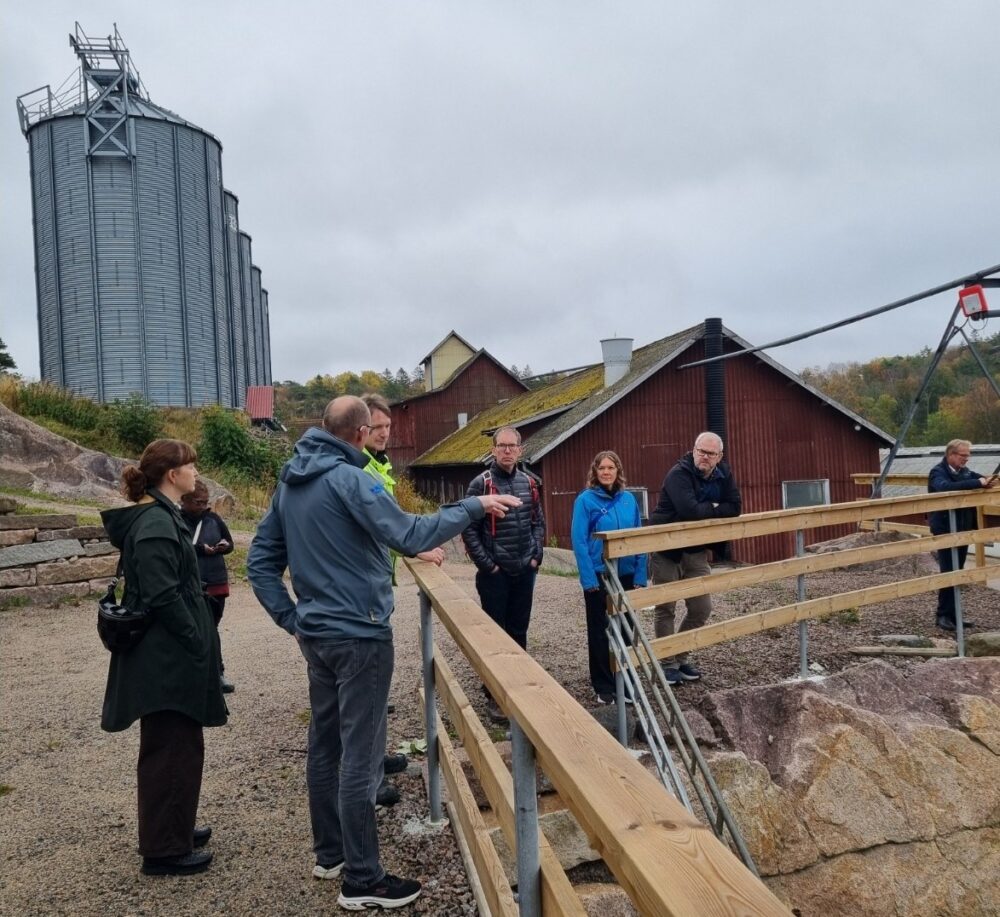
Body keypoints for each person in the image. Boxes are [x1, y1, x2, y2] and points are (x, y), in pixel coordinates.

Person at [247, 396, 518, 911]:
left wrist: (294, 620)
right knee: (361, 755)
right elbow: (409, 533)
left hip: (320, 638)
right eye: (373, 429)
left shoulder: (291, 482)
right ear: (357, 433)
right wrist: (475, 506)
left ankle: (330, 855)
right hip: (361, 637)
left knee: (325, 746)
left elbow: (260, 562)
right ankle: (363, 878)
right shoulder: (351, 479)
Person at [99, 440, 228, 877]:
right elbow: (160, 593)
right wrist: (194, 636)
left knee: (181, 742)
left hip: (171, 651)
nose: (195, 472)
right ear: (172, 474)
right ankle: (164, 849)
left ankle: (175, 826)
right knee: (169, 746)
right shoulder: (155, 523)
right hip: (166, 655)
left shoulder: (165, 515)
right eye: (190, 465)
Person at [359, 392, 442, 807]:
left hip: (378, 581)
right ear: (360, 428)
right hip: (364, 593)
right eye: (377, 428)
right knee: (366, 688)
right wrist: (416, 547)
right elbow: (385, 528)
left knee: (376, 689)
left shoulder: (379, 465)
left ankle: (376, 759)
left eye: (388, 428)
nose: (384, 434)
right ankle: (368, 776)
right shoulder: (362, 471)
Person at [462, 425, 545, 723]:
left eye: (513, 446)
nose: (507, 451)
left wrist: (536, 556)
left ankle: (519, 686)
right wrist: (488, 565)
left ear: (520, 450)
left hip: (525, 569)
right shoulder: (480, 485)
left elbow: (538, 521)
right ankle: (495, 694)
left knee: (519, 629)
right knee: (495, 635)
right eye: (502, 446)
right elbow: (468, 529)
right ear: (494, 450)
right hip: (494, 574)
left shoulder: (530, 483)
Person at [649, 432, 741, 686]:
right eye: (701, 451)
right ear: (693, 450)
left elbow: (735, 507)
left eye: (710, 453)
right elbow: (689, 511)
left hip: (696, 550)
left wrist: (711, 508)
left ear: (719, 457)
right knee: (665, 607)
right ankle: (667, 664)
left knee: (701, 608)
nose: (704, 456)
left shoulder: (724, 474)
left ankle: (679, 656)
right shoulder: (678, 474)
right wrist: (713, 507)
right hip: (667, 550)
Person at [571, 451, 647, 704]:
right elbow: (579, 541)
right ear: (595, 471)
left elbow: (638, 536)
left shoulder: (628, 501)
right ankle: (603, 684)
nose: (606, 472)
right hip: (599, 574)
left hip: (625, 573)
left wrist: (640, 573)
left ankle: (625, 682)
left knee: (627, 629)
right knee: (599, 631)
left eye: (610, 468)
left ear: (618, 471)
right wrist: (589, 580)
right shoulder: (586, 501)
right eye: (601, 468)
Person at [927, 439, 997, 631]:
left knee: (959, 571)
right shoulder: (938, 472)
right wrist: (977, 482)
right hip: (945, 529)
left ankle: (954, 615)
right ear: (951, 455)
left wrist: (987, 482)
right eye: (963, 455)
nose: (967, 459)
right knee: (949, 572)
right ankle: (942, 615)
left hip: (963, 528)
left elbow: (980, 479)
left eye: (968, 455)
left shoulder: (964, 472)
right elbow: (944, 487)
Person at [180, 481, 235, 694]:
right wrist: (199, 549)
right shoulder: (177, 520)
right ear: (184, 500)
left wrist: (223, 546)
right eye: (197, 502)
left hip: (215, 582)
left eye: (205, 502)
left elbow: (229, 543)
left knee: (211, 628)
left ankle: (216, 674)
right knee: (191, 629)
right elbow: (177, 547)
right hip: (190, 584)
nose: (203, 506)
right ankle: (191, 675)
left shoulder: (213, 519)